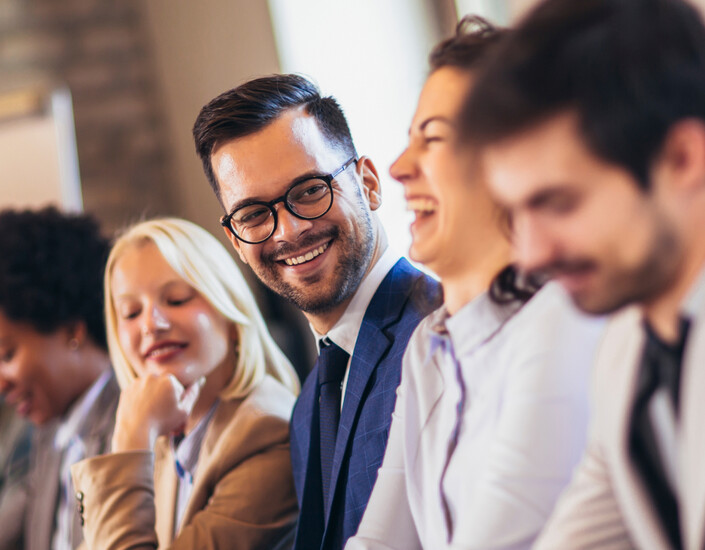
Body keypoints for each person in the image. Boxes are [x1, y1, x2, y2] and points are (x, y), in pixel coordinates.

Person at [344, 18, 604, 550]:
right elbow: (380, 539)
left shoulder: (562, 323)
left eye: (433, 138)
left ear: (515, 161)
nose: (397, 167)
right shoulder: (427, 347)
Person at [461, 0, 705, 548]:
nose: (529, 256)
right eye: (517, 211)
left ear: (684, 159)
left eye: (559, 203)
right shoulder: (626, 347)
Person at [192, 74, 441, 549]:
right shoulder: (308, 403)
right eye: (253, 215)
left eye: (308, 190)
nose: (287, 231)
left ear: (368, 183)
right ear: (236, 241)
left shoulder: (437, 336)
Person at [70, 217, 300, 549]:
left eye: (176, 299)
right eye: (131, 312)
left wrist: (132, 439)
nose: (151, 324)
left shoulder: (268, 434)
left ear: (231, 311)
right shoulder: (167, 434)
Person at [0, 206, 118, 550]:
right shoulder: (51, 433)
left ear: (71, 331)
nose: (1, 383)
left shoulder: (134, 423)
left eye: (7, 355)